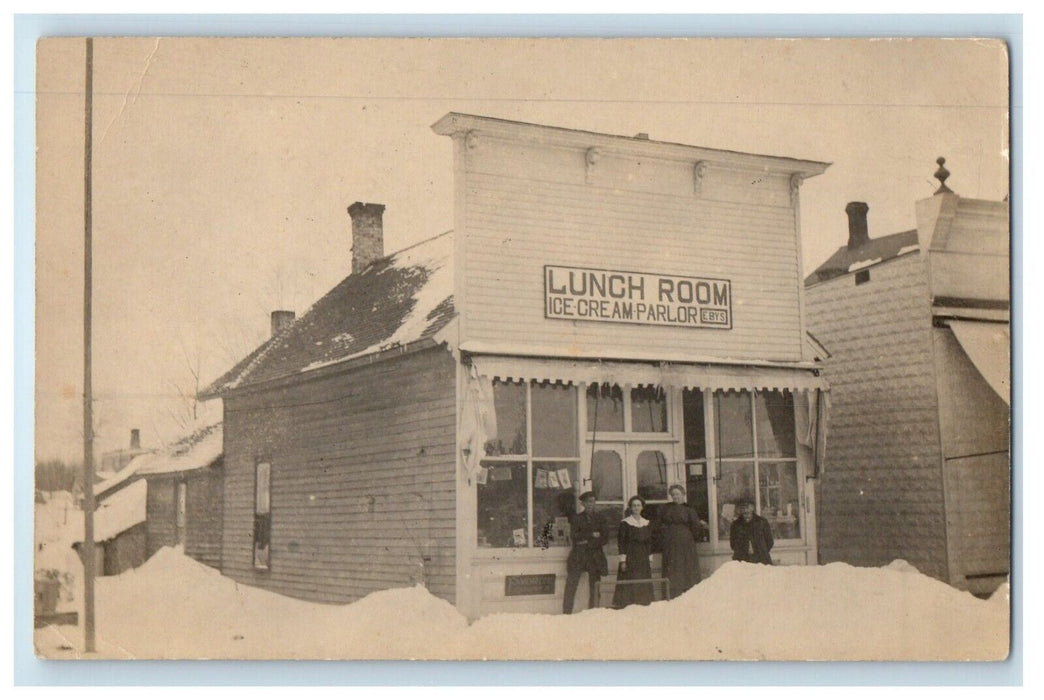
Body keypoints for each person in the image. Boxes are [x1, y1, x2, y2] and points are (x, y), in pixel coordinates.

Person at [563, 491, 609, 614]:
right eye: (588, 502)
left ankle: (593, 613)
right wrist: (592, 534)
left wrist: (587, 541)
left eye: (593, 501)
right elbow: (574, 536)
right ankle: (566, 613)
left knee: (595, 587)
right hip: (578, 556)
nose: (591, 504)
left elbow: (605, 538)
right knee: (571, 585)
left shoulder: (601, 518)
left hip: (595, 556)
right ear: (583, 503)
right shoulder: (577, 518)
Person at [659, 484, 707, 598]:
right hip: (670, 542)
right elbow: (660, 524)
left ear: (683, 495)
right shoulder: (666, 508)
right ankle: (672, 595)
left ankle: (688, 596)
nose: (675, 497)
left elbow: (695, 526)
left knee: (686, 566)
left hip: (686, 542)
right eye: (673, 494)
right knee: (672, 567)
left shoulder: (689, 509)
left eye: (678, 494)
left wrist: (694, 534)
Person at [613, 495, 654, 607]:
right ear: (630, 507)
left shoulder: (646, 523)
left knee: (643, 582)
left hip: (643, 557)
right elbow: (621, 542)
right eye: (634, 505)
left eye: (638, 505)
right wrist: (623, 561)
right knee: (630, 581)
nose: (636, 508)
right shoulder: (625, 523)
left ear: (642, 507)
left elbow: (649, 542)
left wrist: (650, 559)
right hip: (630, 556)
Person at [729, 499, 774, 565]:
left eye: (747, 507)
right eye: (743, 507)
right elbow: (732, 544)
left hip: (761, 559)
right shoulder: (736, 524)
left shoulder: (762, 522)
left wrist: (761, 550)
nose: (745, 510)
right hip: (742, 560)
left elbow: (769, 541)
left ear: (752, 508)